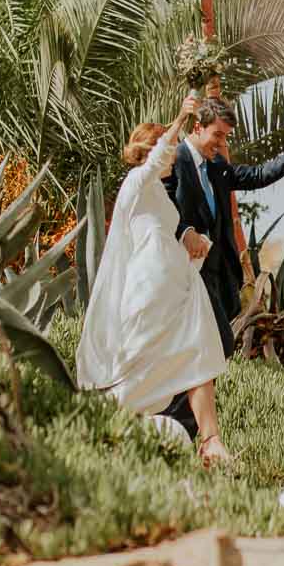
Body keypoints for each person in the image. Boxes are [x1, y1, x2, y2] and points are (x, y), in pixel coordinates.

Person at [75, 94, 234, 465]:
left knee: (199, 353)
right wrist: (180, 117)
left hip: (177, 287)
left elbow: (165, 228)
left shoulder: (161, 198)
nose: (175, 156)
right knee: (139, 362)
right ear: (155, 150)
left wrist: (191, 239)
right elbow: (160, 158)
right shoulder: (136, 182)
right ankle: (111, 423)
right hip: (149, 291)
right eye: (172, 148)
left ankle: (211, 441)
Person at [158, 94, 284, 440]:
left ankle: (179, 422)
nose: (221, 144)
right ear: (197, 126)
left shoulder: (217, 166)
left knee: (213, 346)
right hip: (188, 275)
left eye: (226, 137)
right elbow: (158, 202)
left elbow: (258, 175)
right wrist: (185, 231)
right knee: (216, 341)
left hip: (219, 274)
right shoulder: (174, 161)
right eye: (217, 135)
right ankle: (177, 420)